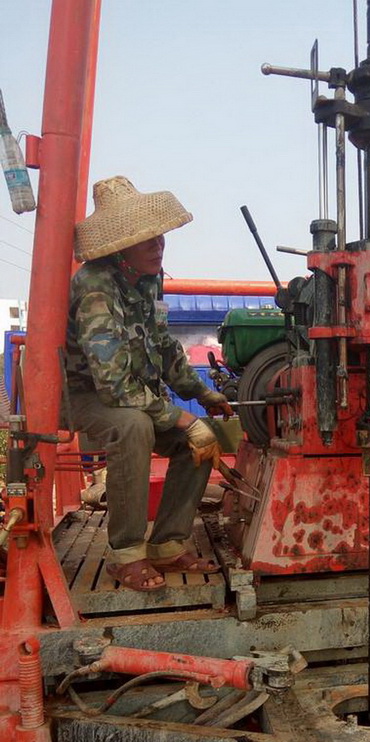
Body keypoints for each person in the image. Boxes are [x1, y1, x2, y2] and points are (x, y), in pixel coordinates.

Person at [65, 175, 233, 592]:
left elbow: (161, 344)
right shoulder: (95, 288)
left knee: (203, 436)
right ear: (122, 245)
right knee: (133, 426)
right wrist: (176, 416)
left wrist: (202, 395)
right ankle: (126, 554)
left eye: (159, 238)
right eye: (147, 241)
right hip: (84, 395)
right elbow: (112, 385)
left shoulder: (150, 278)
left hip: (127, 393)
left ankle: (169, 544)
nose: (158, 246)